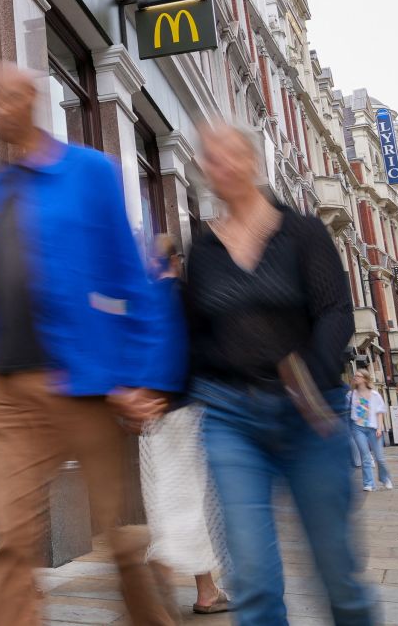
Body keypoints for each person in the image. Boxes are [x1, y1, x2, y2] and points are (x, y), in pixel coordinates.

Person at [0, 63, 185, 626]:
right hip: (7, 389)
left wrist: (144, 375)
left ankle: (152, 613)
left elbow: (130, 277)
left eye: (3, 95)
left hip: (84, 385)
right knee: (8, 540)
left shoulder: (90, 173)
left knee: (119, 532)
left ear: (30, 99)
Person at [186, 124, 377, 626]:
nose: (220, 164)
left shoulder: (304, 233)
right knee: (252, 578)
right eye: (211, 157)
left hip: (311, 413)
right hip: (231, 417)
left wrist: (311, 374)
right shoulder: (203, 251)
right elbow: (195, 334)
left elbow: (336, 311)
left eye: (230, 153)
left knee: (337, 571)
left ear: (252, 161)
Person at [140, 235, 229, 616]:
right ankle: (199, 591)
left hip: (152, 415)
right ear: (176, 260)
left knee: (169, 502)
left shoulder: (143, 299)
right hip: (184, 411)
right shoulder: (183, 297)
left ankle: (206, 588)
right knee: (191, 503)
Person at [348, 371, 392, 491]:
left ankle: (385, 478)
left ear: (365, 379)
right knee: (365, 457)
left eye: (358, 376)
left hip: (373, 429)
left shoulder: (374, 394)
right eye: (354, 376)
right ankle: (368, 483)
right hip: (358, 428)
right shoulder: (352, 394)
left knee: (380, 458)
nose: (355, 378)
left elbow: (380, 412)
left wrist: (379, 428)